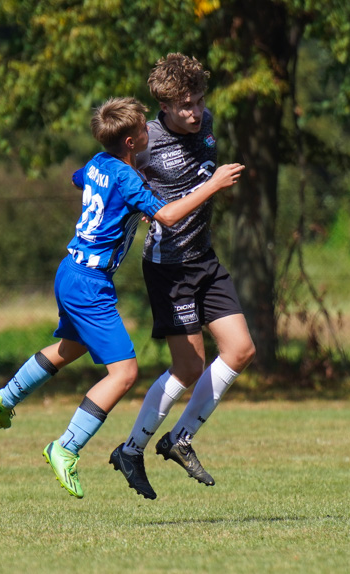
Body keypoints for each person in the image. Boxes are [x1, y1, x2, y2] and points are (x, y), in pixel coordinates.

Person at [0, 97, 244, 499]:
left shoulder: (97, 164)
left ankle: (3, 399)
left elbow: (79, 180)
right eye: (143, 130)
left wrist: (116, 205)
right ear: (132, 141)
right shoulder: (127, 178)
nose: (148, 134)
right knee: (124, 374)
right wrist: (213, 184)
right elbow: (169, 217)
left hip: (69, 270)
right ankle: (65, 447)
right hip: (89, 281)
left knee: (69, 349)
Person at [109, 54, 256, 500]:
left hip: (203, 258)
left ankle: (180, 438)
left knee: (241, 349)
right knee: (189, 365)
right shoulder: (145, 140)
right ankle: (131, 449)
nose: (194, 112)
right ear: (164, 106)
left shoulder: (206, 122)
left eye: (198, 101)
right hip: (168, 266)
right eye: (184, 106)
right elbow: (105, 172)